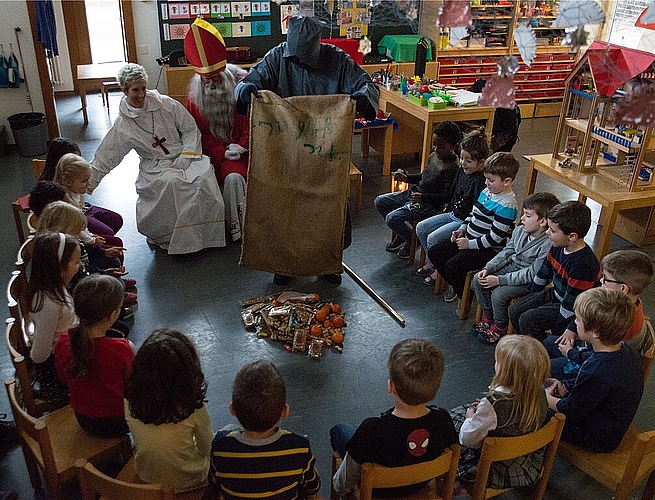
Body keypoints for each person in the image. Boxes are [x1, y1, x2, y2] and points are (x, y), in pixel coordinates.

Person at [235, 15, 379, 286]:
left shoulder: (336, 59)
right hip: (286, 149)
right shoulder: (278, 57)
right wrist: (246, 91)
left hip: (325, 150)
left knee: (327, 203)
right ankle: (284, 264)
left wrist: (362, 97)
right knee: (285, 205)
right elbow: (246, 81)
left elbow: (367, 85)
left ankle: (327, 263)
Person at [89, 63, 226, 255]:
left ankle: (206, 238)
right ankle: (175, 240)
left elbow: (189, 128)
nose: (141, 94)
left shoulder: (165, 104)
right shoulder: (123, 125)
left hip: (184, 156)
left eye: (143, 88)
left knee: (203, 177)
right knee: (172, 183)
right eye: (135, 90)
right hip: (155, 165)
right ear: (124, 90)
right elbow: (107, 155)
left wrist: (187, 155)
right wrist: (88, 182)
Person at [330, 339, 457, 498]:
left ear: (390, 386)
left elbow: (343, 483)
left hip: (378, 492)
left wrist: (341, 489)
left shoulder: (371, 429)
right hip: (420, 483)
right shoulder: (442, 419)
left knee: (339, 430)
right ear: (436, 389)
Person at [448, 336, 550, 495]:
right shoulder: (540, 392)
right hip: (525, 460)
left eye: (498, 361)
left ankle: (461, 484)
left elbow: (469, 440)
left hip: (494, 467)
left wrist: (470, 417)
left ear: (506, 371)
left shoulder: (493, 403)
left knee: (451, 420)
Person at [546, 288, 643, 453]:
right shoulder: (626, 350)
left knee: (535, 411)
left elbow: (570, 410)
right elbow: (590, 388)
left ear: (596, 333)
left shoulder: (596, 372)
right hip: (606, 421)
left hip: (596, 437)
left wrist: (545, 398)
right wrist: (566, 386)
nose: (575, 323)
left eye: (578, 319)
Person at [210, 360, 321, 500]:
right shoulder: (299, 448)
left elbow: (214, 483)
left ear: (232, 409)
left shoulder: (220, 447)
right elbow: (313, 486)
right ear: (285, 411)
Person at [124, 329, 213, 492]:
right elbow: (207, 448)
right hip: (190, 482)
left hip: (147, 478)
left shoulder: (130, 399)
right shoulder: (193, 405)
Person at [185, 18, 249, 242]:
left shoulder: (244, 85)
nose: (210, 85)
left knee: (238, 177)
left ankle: (248, 227)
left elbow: (257, 120)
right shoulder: (195, 98)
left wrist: (242, 145)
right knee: (218, 178)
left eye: (214, 79)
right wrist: (221, 151)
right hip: (216, 155)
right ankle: (225, 231)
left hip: (249, 151)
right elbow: (198, 134)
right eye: (206, 81)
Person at [544, 249, 655, 380]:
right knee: (549, 342)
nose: (601, 282)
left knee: (547, 367)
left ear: (623, 289)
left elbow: (597, 358)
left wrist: (570, 353)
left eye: (605, 279)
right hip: (589, 350)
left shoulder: (620, 322)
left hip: (591, 364)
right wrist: (572, 329)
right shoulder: (621, 304)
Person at [429, 152, 520, 305]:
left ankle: (463, 296)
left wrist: (468, 244)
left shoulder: (507, 205)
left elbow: (494, 238)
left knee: (452, 266)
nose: (486, 183)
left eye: (491, 180)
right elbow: (472, 214)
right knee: (435, 252)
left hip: (487, 250)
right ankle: (457, 285)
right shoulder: (487, 192)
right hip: (469, 240)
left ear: (507, 181)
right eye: (486, 178)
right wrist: (462, 229)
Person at [473, 192, 560, 344]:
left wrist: (499, 280)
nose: (522, 219)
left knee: (499, 295)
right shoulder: (520, 230)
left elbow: (532, 274)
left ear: (543, 221)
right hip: (513, 269)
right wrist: (489, 268)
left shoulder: (547, 243)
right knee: (478, 279)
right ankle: (490, 316)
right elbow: (507, 252)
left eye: (527, 215)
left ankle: (500, 327)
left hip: (529, 281)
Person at [54, 275, 134, 438]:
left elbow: (63, 377)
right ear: (112, 315)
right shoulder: (121, 349)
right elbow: (134, 388)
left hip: (83, 418)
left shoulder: (64, 340)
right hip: (118, 421)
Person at [508, 201, 601, 341]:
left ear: (572, 237)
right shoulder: (558, 244)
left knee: (528, 320)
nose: (547, 232)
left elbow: (572, 305)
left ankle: (537, 351)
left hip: (570, 308)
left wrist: (557, 329)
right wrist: (532, 295)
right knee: (515, 310)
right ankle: (525, 341)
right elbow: (544, 271)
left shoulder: (583, 264)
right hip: (556, 295)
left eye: (552, 230)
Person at [375, 121, 462, 259]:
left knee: (392, 218)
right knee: (380, 201)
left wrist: (424, 197)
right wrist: (407, 178)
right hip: (415, 194)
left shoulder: (452, 167)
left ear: (454, 146)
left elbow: (447, 197)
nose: (436, 149)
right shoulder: (434, 156)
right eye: (434, 144)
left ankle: (412, 240)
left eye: (441, 146)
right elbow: (424, 176)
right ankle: (403, 235)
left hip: (428, 204)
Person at [415, 128, 489, 285]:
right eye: (462, 158)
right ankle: (435, 263)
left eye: (468, 161)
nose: (463, 163)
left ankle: (438, 270)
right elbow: (451, 195)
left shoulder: (480, 181)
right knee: (421, 227)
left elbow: (476, 212)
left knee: (433, 237)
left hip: (463, 221)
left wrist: (462, 228)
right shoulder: (461, 171)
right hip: (452, 214)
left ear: (481, 163)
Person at [28, 231, 81, 404]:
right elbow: (40, 354)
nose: (79, 265)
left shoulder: (55, 288)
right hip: (58, 367)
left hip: (65, 352)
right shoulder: (48, 302)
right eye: (76, 261)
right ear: (60, 269)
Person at [54, 152, 124, 244]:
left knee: (115, 220)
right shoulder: (65, 203)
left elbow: (81, 224)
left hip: (82, 225)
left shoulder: (75, 193)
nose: (89, 184)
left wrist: (90, 235)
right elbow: (77, 228)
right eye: (84, 181)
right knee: (115, 242)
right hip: (77, 237)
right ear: (68, 181)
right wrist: (92, 240)